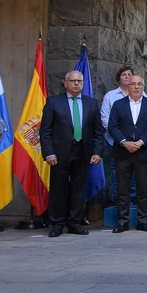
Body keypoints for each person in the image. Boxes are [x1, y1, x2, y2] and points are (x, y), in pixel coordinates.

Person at [41, 71, 105, 237]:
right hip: (60, 153)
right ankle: (57, 223)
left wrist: (97, 152)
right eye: (73, 81)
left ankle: (75, 222)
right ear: (65, 83)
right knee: (58, 188)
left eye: (79, 81)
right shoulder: (54, 102)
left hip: (83, 151)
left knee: (79, 189)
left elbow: (98, 131)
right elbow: (45, 131)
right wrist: (49, 153)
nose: (77, 84)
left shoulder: (91, 103)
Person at [107, 74, 147, 233]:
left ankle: (143, 221)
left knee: (142, 189)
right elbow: (112, 126)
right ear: (127, 86)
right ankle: (122, 221)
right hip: (123, 152)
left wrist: (141, 141)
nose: (136, 87)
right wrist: (124, 142)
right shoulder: (118, 104)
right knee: (122, 189)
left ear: (143, 86)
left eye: (139, 84)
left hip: (143, 152)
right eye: (133, 84)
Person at [100, 65, 137, 201]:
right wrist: (120, 136)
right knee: (116, 172)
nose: (127, 77)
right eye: (124, 75)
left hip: (135, 142)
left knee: (134, 172)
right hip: (115, 141)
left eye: (129, 75)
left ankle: (133, 199)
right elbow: (105, 118)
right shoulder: (110, 96)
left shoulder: (141, 94)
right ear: (118, 78)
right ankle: (117, 200)